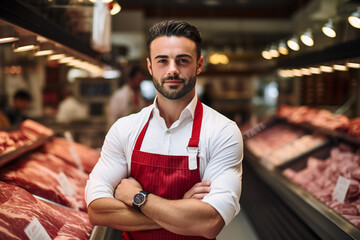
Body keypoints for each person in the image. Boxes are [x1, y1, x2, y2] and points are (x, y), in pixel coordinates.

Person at [85, 20, 243, 240]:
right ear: (150, 67)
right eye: (162, 61)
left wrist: (139, 198)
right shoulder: (125, 129)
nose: (172, 70)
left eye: (183, 61)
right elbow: (97, 211)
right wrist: (181, 209)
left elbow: (209, 222)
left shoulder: (222, 132)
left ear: (199, 65)